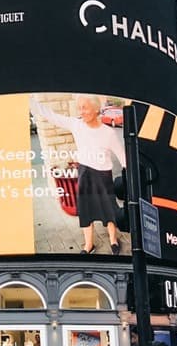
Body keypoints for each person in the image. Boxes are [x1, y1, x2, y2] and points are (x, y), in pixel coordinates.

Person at [31, 95, 126, 254]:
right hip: (85, 173)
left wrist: (130, 174)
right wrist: (30, 102)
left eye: (85, 107)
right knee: (85, 210)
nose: (81, 111)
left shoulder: (108, 133)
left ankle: (113, 240)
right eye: (80, 107)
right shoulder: (77, 125)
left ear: (96, 109)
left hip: (103, 176)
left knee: (109, 209)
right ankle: (88, 245)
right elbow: (52, 117)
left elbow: (123, 157)